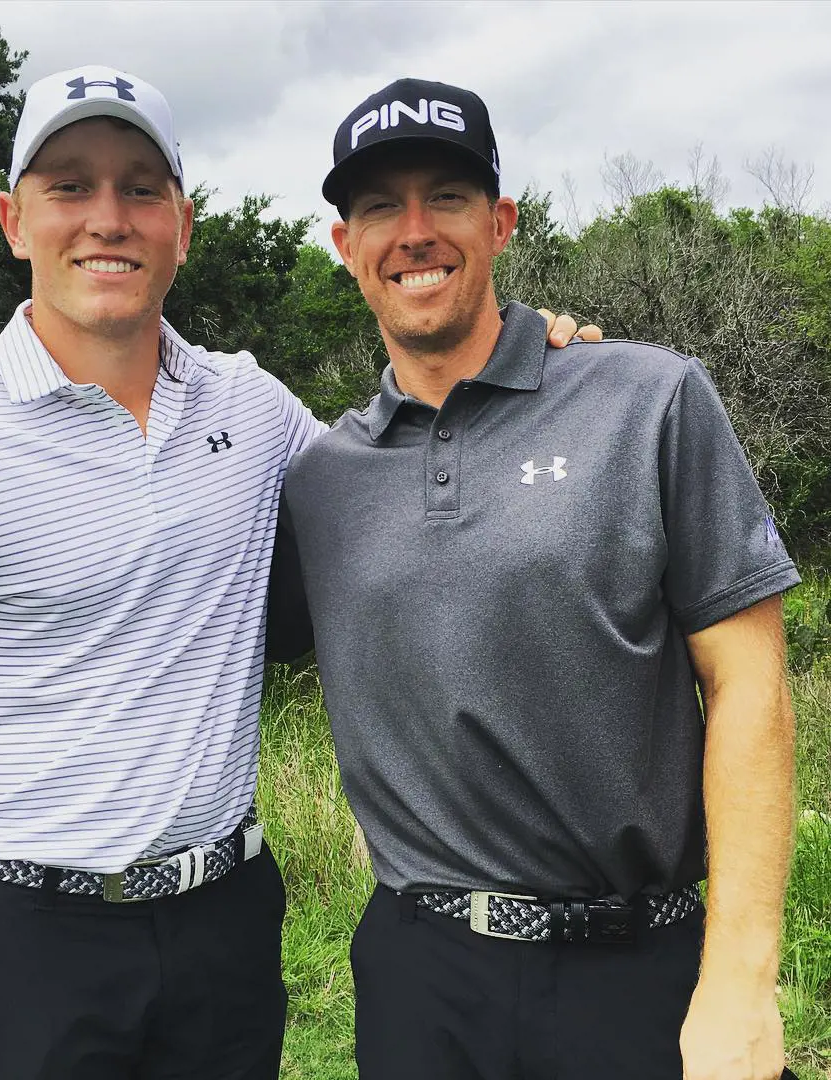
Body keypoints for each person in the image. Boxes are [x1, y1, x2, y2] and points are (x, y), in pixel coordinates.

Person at [0, 64, 593, 1080]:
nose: (107, 219)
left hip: (223, 927)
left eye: (139, 187)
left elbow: (410, 479)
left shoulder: (251, 410)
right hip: (21, 942)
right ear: (12, 219)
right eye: (69, 187)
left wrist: (549, 378)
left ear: (184, 221)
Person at [269, 78, 799, 1080]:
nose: (415, 231)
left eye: (449, 197)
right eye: (381, 205)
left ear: (503, 221)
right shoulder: (319, 481)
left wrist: (740, 975)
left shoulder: (648, 401)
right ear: (345, 246)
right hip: (418, 977)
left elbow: (752, 688)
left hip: (638, 964)